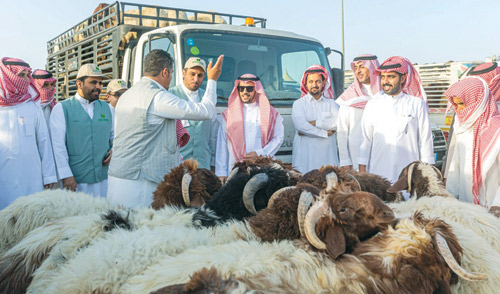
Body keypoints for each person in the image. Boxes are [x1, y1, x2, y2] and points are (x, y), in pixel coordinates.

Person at [107, 50, 224, 208]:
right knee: (144, 229)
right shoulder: (157, 96)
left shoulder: (127, 95)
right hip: (141, 183)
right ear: (165, 71)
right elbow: (207, 111)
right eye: (171, 73)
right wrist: (212, 80)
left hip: (118, 179)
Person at [359, 56, 434, 189]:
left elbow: (425, 140)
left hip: (408, 173)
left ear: (403, 78)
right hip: (378, 171)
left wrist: (427, 172)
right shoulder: (372, 105)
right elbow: (366, 140)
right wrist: (362, 173)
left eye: (391, 77)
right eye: (382, 77)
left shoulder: (417, 104)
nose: (385, 81)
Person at [0, 57, 57, 209]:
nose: (26, 80)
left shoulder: (32, 105)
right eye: (22, 75)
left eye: (28, 75)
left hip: (32, 178)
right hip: (4, 177)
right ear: (8, 76)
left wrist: (49, 175)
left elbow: (44, 141)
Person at [50, 64, 113, 197]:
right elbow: (57, 146)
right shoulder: (62, 108)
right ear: (79, 83)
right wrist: (66, 175)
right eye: (93, 82)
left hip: (104, 178)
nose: (98, 87)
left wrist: (115, 149)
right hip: (76, 181)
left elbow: (115, 136)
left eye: (100, 83)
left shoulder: (107, 109)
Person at [443, 77, 500, 217]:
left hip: (492, 204)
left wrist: (497, 204)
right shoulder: (461, 126)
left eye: (462, 104)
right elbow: (455, 165)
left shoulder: (496, 129)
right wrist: (449, 196)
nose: (460, 110)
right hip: (466, 203)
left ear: (478, 102)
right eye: (456, 105)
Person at [216, 74, 284, 182]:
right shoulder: (228, 115)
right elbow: (222, 145)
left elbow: (278, 138)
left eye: (249, 88)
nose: (245, 92)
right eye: (241, 89)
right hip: (235, 170)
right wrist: (221, 172)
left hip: (263, 168)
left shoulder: (270, 113)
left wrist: (260, 153)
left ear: (256, 90)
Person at [168, 57, 218, 170]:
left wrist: (214, 161)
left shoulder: (208, 98)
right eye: (192, 74)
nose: (196, 79)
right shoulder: (170, 95)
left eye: (200, 75)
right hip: (177, 165)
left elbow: (213, 134)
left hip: (202, 164)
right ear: (183, 73)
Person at [291, 65, 339, 174]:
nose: (314, 85)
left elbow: (338, 122)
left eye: (318, 81)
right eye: (311, 81)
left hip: (327, 157)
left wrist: (316, 123)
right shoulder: (299, 104)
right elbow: (301, 126)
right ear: (306, 84)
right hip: (305, 158)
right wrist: (325, 133)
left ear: (323, 83)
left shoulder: (331, 104)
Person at [337, 54, 381, 171]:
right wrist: (345, 161)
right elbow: (342, 132)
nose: (358, 71)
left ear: (373, 68)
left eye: (362, 66)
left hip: (382, 155)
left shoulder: (384, 95)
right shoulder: (349, 98)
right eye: (355, 68)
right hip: (356, 155)